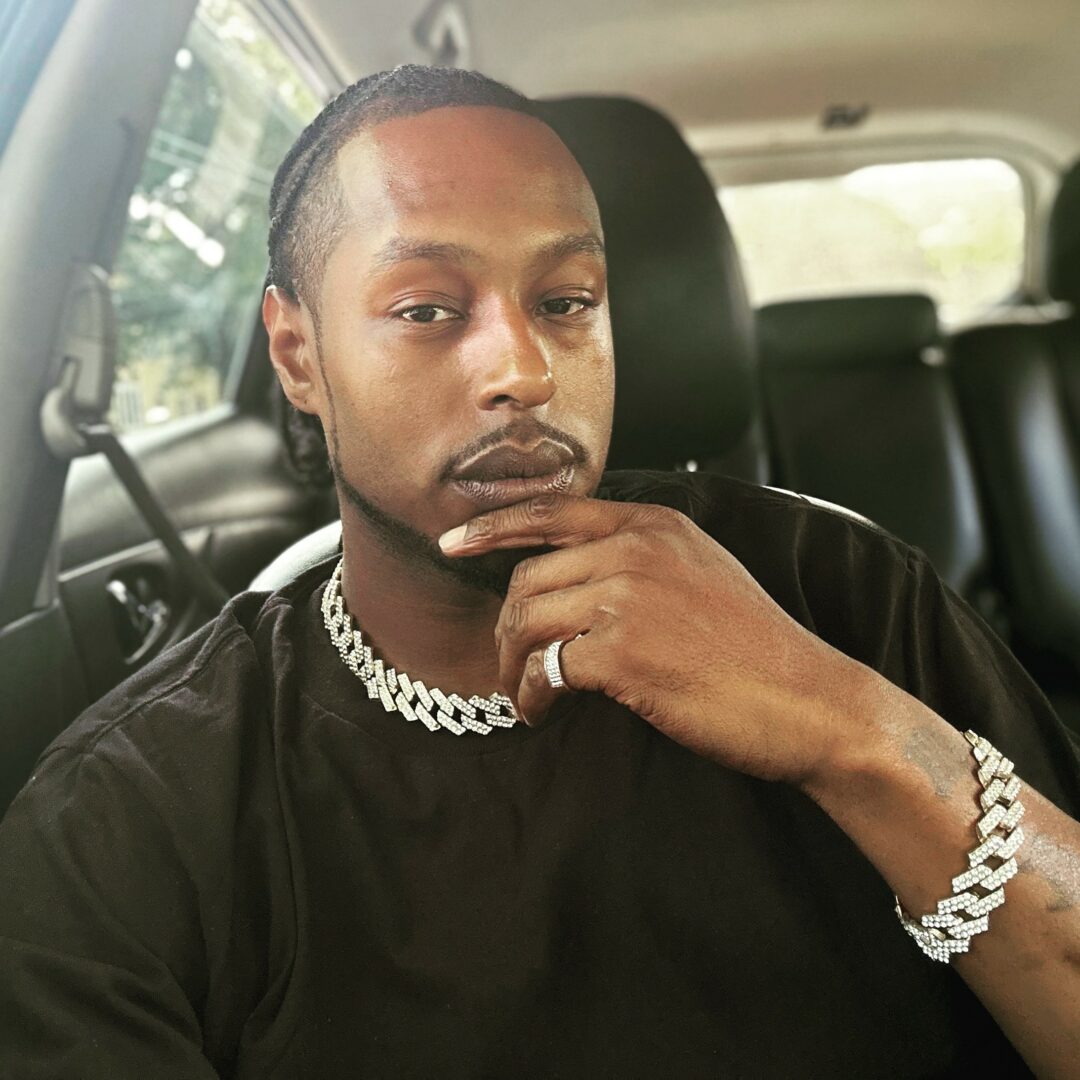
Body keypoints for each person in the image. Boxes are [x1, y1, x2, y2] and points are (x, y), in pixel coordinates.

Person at [1, 64, 1079, 1079]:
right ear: (298, 356)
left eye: (566, 301)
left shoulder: (848, 594)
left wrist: (848, 730)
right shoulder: (136, 812)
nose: (524, 370)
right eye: (426, 310)